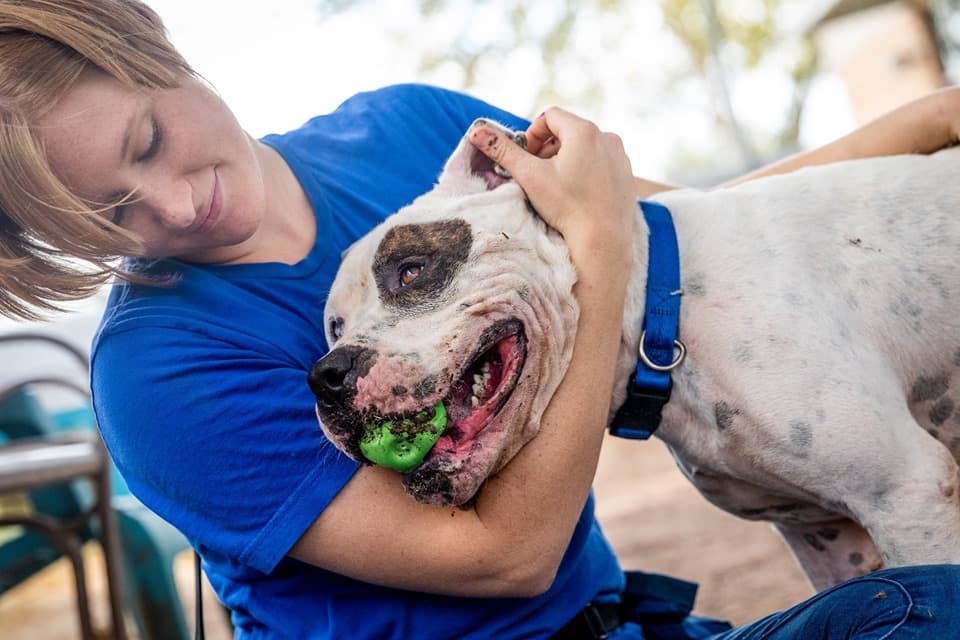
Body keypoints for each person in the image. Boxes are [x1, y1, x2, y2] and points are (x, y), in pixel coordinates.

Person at [1, 1, 958, 638]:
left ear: (158, 52)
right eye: (111, 217)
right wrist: (601, 246)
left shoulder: (407, 131)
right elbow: (507, 558)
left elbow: (684, 236)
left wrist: (923, 124)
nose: (172, 208)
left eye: (150, 141)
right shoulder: (158, 371)